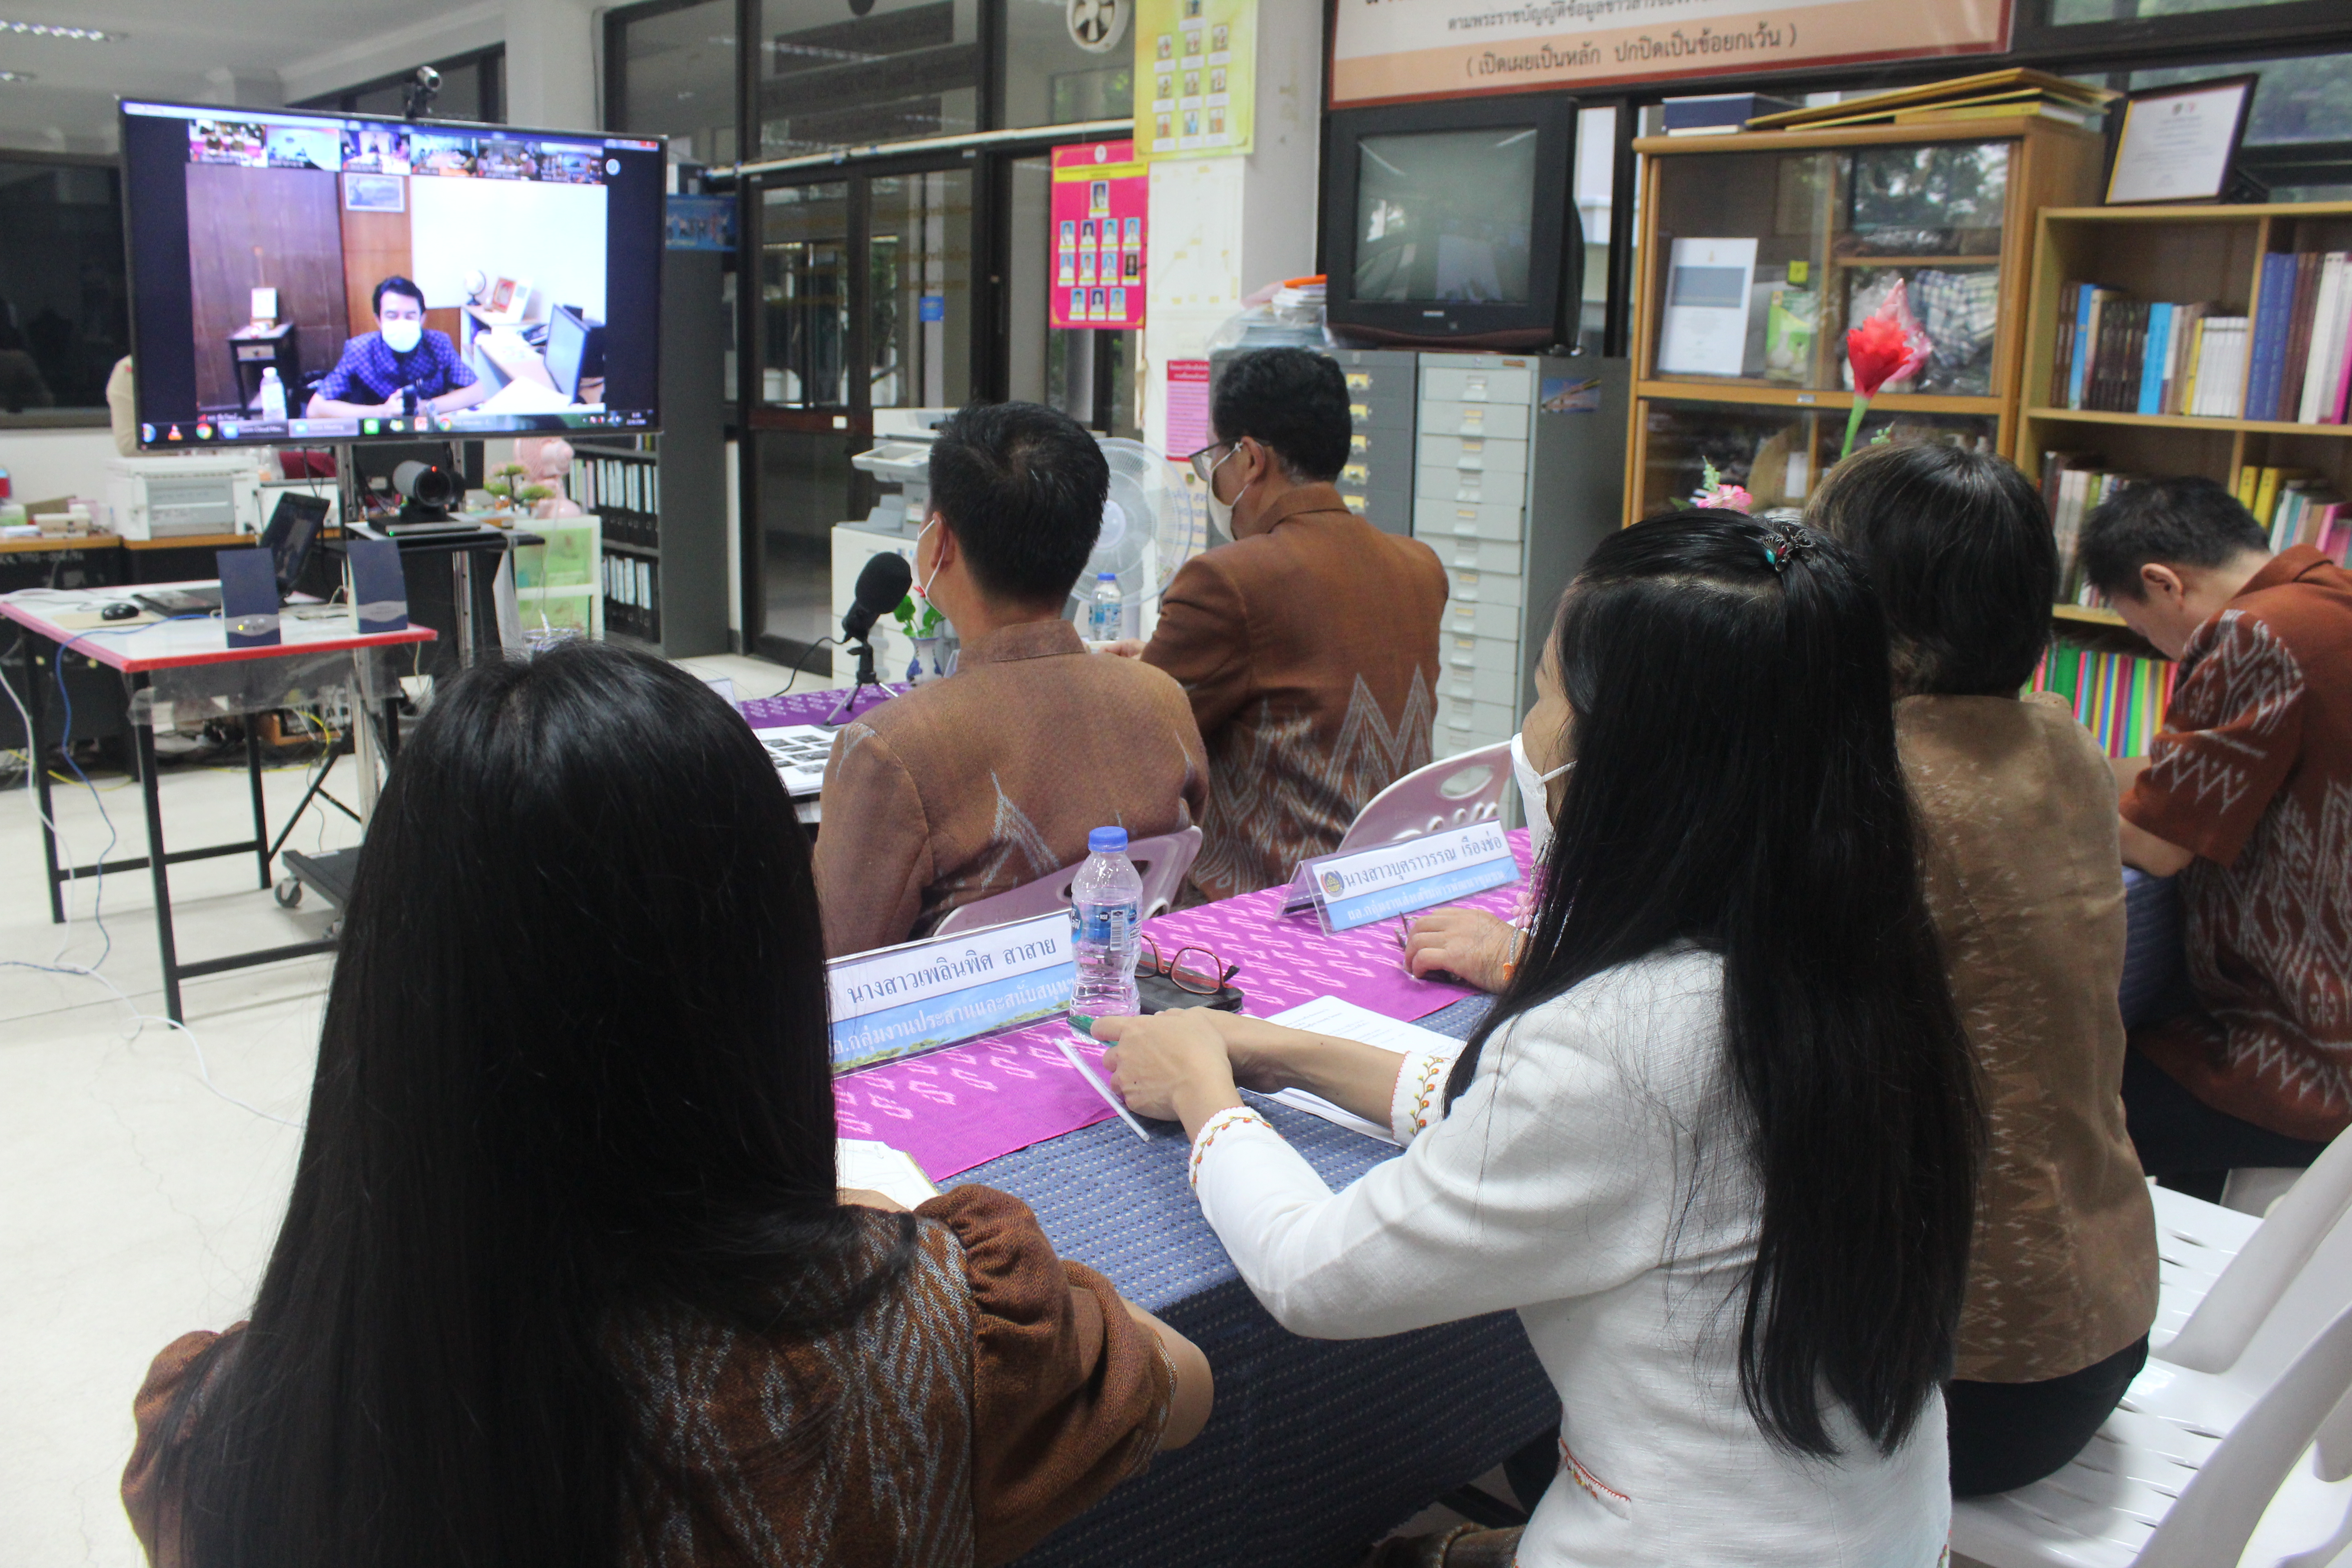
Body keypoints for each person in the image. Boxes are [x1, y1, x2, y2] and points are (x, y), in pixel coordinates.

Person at [119, 642, 1210, 1567]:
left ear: (394, 996)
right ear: (760, 975)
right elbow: (1181, 1381)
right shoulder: (939, 1329)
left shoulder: (232, 1442)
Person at [1097, 512, 1982, 1567]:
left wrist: (1204, 1093)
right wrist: (1280, 1054)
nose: (1533, 731)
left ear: (1645, 759)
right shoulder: (1853, 951)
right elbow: (1574, 1123)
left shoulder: (1623, 1035)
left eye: (1550, 692)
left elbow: (1316, 1276)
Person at [1809, 441, 2156, 1497]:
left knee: (1552, 1393)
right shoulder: (2055, 735)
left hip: (1964, 1381)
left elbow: (1688, 987)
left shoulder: (1879, 786)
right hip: (2105, 1312)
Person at [814, 401, 1207, 956]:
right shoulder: (1162, 700)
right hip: (1114, 1010)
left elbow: (835, 964)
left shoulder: (891, 750)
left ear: (939, 543)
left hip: (945, 1037)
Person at [2077, 476, 2352, 1198]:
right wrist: (2083, 768)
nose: (2164, 655)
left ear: (2163, 584)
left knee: (2058, 1103)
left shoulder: (2252, 634)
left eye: (2143, 631)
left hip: (2305, 1053)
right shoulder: (2328, 601)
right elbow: (2184, 775)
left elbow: (2158, 844)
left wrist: (2030, 798)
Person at [1127, 347, 1447, 902]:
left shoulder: (1228, 579)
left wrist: (1124, 677)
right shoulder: (1421, 566)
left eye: (1214, 460)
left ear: (1249, 460)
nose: (1215, 480)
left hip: (1268, 909)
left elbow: (1141, 733)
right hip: (1390, 894)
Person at [306, 274, 494, 420]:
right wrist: (382, 412)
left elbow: (477, 391)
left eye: (410, 316)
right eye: (392, 315)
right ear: (378, 320)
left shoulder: (438, 344)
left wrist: (428, 407)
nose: (401, 322)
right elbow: (316, 409)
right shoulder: (359, 349)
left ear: (422, 319)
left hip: (427, 435)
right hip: (376, 438)